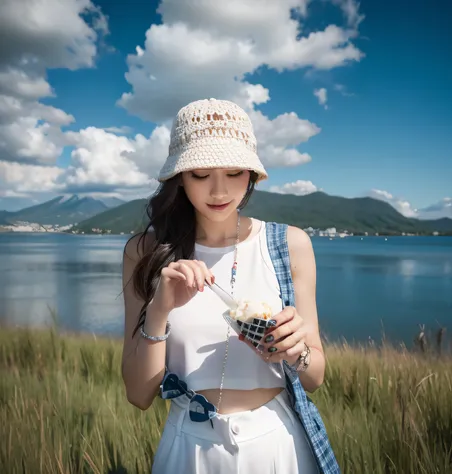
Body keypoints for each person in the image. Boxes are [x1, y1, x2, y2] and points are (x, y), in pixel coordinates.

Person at [121, 98, 339, 473]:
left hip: (277, 444)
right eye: (201, 175)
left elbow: (315, 376)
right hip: (188, 450)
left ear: (252, 175)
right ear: (179, 178)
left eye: (235, 172)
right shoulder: (146, 252)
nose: (219, 191)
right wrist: (159, 311)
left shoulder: (288, 244)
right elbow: (139, 395)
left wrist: (295, 350)